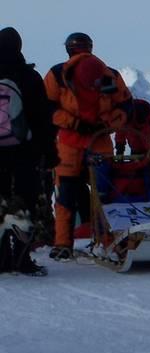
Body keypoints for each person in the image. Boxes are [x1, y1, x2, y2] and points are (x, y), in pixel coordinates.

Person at [45, 39, 129, 261]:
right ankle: (111, 241)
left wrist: (73, 123)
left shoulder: (56, 74)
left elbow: (48, 108)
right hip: (99, 143)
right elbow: (126, 106)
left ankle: (63, 243)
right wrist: (108, 124)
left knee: (65, 197)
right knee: (106, 194)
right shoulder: (111, 74)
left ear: (68, 49)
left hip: (69, 145)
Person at [0, 26, 54, 273]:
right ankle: (22, 259)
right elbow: (43, 118)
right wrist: (49, 152)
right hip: (26, 150)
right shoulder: (30, 77)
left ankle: (1, 261)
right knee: (26, 204)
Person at [113, 98, 150, 198]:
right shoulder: (123, 115)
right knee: (135, 171)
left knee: (148, 170)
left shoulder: (146, 126)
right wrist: (119, 150)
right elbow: (120, 132)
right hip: (136, 145)